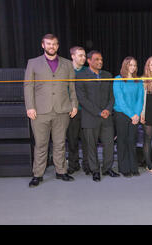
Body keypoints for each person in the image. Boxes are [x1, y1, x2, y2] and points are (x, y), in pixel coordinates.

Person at [24, 34, 78, 187]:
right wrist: (30, 107)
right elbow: (28, 86)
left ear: (58, 46)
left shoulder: (67, 64)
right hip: (40, 111)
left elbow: (72, 87)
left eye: (54, 44)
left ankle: (61, 171)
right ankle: (37, 174)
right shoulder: (33, 63)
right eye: (48, 44)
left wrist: (74, 104)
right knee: (41, 144)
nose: (51, 46)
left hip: (62, 110)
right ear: (43, 45)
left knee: (60, 143)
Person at [76, 50, 120, 182]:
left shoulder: (108, 75)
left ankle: (107, 168)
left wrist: (107, 109)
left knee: (109, 144)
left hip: (107, 117)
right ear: (89, 61)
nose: (100, 62)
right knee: (91, 146)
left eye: (101, 59)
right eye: (96, 59)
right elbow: (82, 99)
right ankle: (95, 170)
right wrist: (98, 112)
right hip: (90, 117)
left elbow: (112, 97)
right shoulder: (81, 76)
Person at [113, 56, 144, 177]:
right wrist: (131, 115)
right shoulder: (118, 79)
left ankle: (133, 166)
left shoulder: (138, 81)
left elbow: (140, 99)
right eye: (130, 65)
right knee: (122, 141)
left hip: (134, 115)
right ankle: (124, 167)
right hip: (121, 114)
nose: (133, 67)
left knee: (132, 141)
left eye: (134, 65)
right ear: (125, 65)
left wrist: (136, 114)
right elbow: (120, 100)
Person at [67, 46, 89, 175]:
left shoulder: (88, 71)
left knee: (86, 140)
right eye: (80, 55)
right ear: (72, 56)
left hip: (86, 110)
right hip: (71, 110)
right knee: (72, 139)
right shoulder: (65, 70)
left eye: (85, 56)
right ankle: (73, 164)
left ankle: (87, 164)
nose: (83, 58)